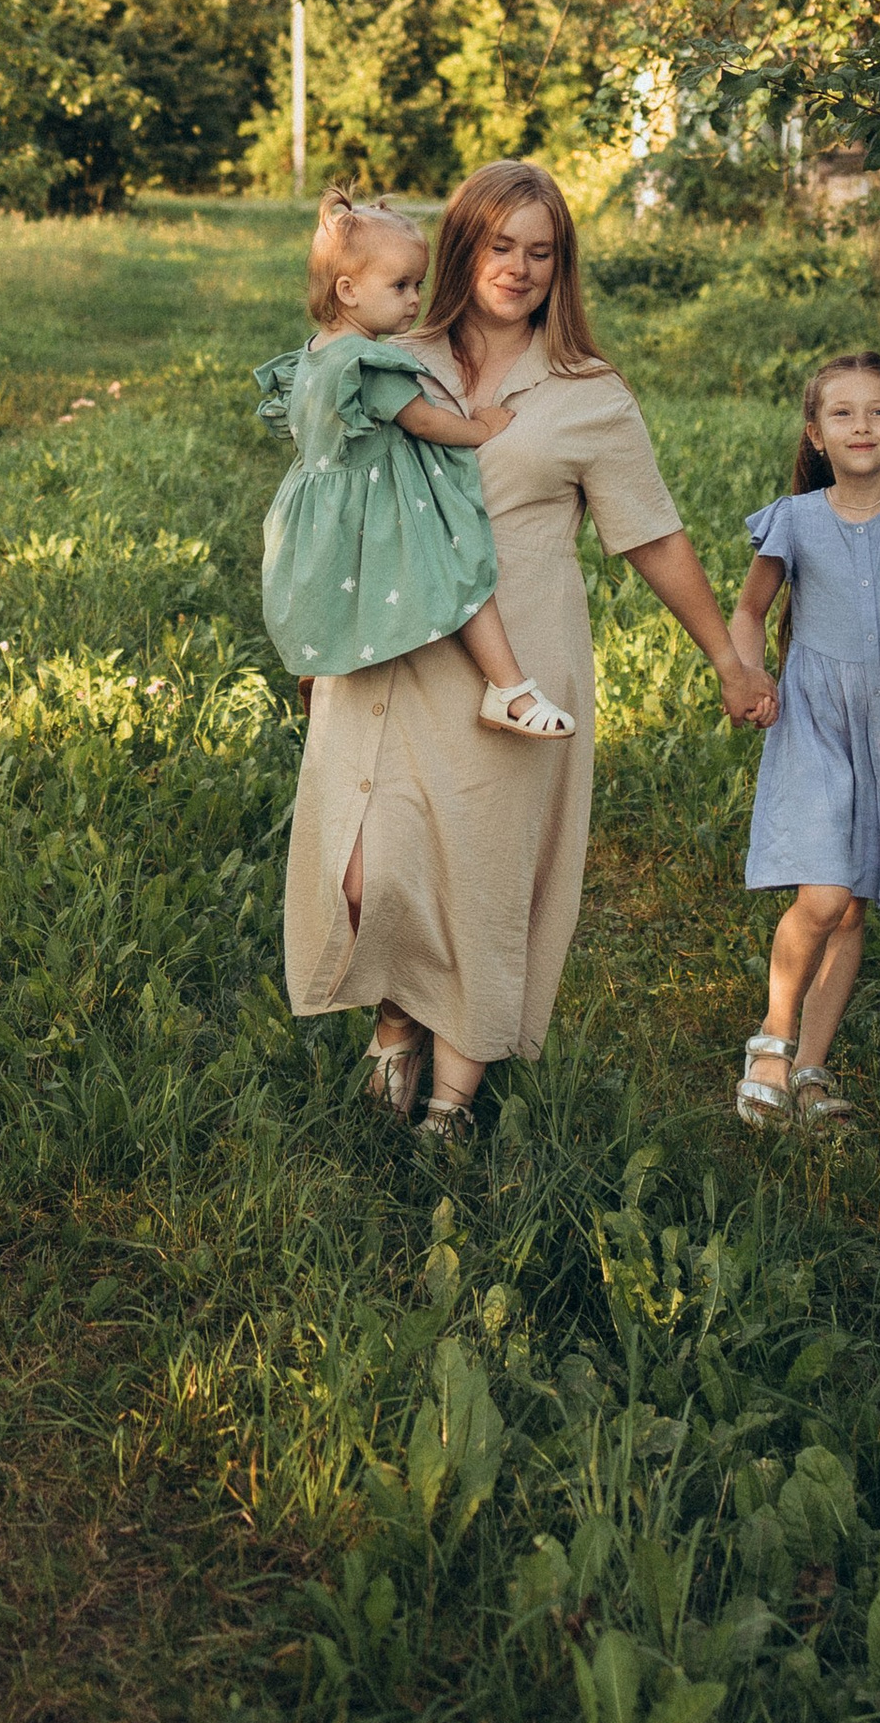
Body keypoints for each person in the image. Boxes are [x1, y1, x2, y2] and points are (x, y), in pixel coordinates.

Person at [280, 156, 776, 1148]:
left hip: (518, 661)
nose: (517, 269)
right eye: (500, 245)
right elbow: (322, 499)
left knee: (486, 874)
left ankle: (448, 1106)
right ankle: (393, 1026)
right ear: (463, 245)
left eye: (540, 254)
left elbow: (651, 536)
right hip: (389, 645)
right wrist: (312, 640)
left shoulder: (588, 391)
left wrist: (726, 657)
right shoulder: (388, 353)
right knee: (372, 866)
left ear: (561, 269)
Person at [726, 351, 880, 1129]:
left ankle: (810, 1066)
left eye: (878, 413)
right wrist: (751, 673)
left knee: (854, 906)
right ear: (815, 434)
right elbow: (747, 613)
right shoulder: (794, 520)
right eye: (843, 413)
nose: (861, 425)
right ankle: (771, 1037)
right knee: (823, 893)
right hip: (811, 715)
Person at [255, 190, 574, 736]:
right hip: (375, 503)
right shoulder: (371, 364)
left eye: (418, 284)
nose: (414, 299)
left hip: (317, 510)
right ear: (348, 290)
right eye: (400, 285)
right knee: (460, 566)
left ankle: (319, 665)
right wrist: (481, 427)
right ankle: (509, 688)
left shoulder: (310, 355)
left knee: (329, 586)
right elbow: (424, 421)